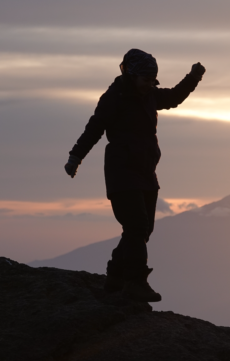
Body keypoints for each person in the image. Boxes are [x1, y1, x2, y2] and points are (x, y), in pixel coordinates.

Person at [64, 49, 205, 302]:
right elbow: (94, 128)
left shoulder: (149, 95)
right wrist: (76, 157)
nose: (150, 85)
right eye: (146, 80)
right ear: (131, 74)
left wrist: (193, 78)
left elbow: (173, 97)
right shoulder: (114, 98)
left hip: (146, 171)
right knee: (136, 226)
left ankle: (116, 277)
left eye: (153, 80)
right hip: (122, 172)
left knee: (142, 229)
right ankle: (136, 282)